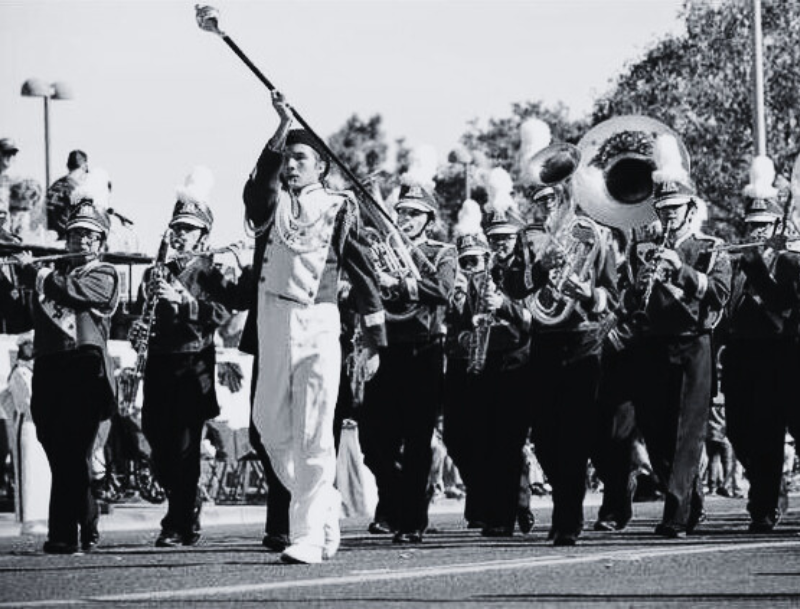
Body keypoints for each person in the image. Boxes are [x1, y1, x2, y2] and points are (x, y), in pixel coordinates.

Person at [241, 91, 386, 564]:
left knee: (313, 434)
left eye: (301, 158)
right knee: (266, 425)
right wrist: (280, 129)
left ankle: (306, 536)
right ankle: (324, 506)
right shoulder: (274, 206)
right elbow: (257, 189)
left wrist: (374, 339)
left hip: (320, 322)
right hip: (272, 317)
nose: (291, 166)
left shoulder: (341, 207)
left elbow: (362, 271)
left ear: (321, 166)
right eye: (289, 158)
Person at [505, 140, 618, 546]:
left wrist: (586, 291)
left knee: (573, 435)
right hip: (545, 342)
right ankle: (566, 503)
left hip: (583, 342)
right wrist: (540, 268)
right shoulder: (531, 238)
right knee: (547, 440)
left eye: (558, 192)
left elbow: (612, 297)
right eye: (545, 195)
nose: (551, 200)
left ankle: (567, 518)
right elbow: (514, 286)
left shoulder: (597, 234)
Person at [627, 135, 731, 538]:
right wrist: (641, 279)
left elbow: (719, 294)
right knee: (655, 428)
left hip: (692, 343)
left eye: (675, 209)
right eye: (663, 209)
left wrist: (681, 272)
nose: (668, 216)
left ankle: (674, 513)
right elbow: (632, 296)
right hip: (653, 343)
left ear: (690, 209)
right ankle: (690, 501)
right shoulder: (645, 248)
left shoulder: (709, 247)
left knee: (687, 432)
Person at [131, 167, 232, 548]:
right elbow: (142, 316)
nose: (180, 234)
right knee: (157, 441)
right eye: (177, 227)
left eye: (188, 228)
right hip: (159, 363)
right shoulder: (155, 271)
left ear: (204, 234)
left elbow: (222, 314)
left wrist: (185, 302)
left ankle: (178, 521)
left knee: (187, 449)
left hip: (193, 362)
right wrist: (141, 328)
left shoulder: (212, 270)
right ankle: (187, 505)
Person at [12, 200, 119, 554]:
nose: (82, 242)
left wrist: (37, 274)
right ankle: (86, 520)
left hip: (84, 368)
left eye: (89, 236)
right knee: (58, 452)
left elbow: (75, 293)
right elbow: (16, 316)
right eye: (75, 235)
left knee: (73, 452)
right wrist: (12, 273)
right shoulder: (51, 275)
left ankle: (63, 533)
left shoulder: (104, 273)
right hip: (49, 367)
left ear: (101, 243)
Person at [358, 182, 457, 546]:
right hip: (387, 350)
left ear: (428, 219)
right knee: (372, 440)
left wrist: (397, 284)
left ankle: (411, 520)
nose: (404, 218)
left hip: (424, 350)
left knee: (417, 441)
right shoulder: (380, 250)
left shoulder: (442, 252)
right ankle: (401, 500)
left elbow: (443, 291)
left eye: (413, 213)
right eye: (400, 212)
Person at [722, 155, 800, 532]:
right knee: (737, 430)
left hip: (776, 352)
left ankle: (763, 506)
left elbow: (783, 310)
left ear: (776, 227)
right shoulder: (737, 263)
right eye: (751, 225)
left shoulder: (785, 263)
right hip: (740, 355)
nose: (755, 232)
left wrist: (759, 272)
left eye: (763, 226)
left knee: (770, 431)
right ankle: (768, 489)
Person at [45, 150, 89, 240]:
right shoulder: (79, 190)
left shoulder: (55, 185)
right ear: (84, 166)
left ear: (68, 166)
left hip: (51, 237)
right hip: (69, 239)